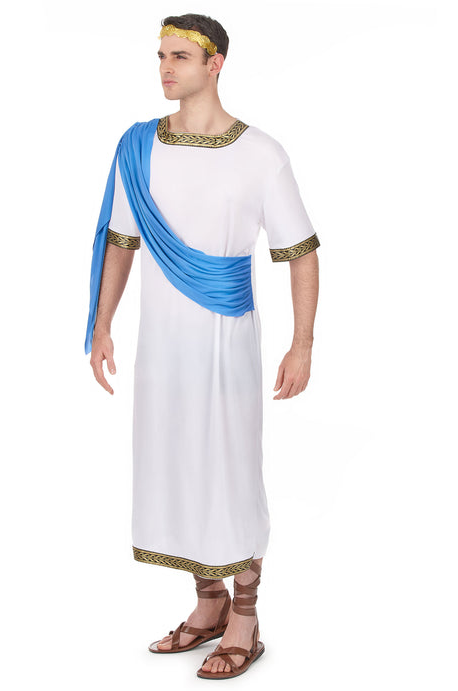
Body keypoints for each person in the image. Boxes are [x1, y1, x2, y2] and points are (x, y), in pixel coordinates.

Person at [85, 13, 320, 680]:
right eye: (160, 55)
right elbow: (121, 241)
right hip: (161, 344)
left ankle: (246, 617)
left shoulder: (261, 153)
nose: (165, 67)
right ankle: (208, 603)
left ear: (215, 64)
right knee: (176, 462)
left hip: (226, 342)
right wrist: (102, 324)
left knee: (228, 466)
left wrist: (301, 345)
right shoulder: (139, 146)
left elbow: (300, 252)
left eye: (180, 56)